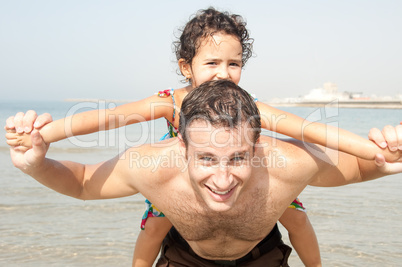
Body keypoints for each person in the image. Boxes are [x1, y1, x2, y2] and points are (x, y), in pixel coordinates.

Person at [5, 8, 392, 267]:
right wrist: (41, 137)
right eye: (212, 63)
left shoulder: (249, 106)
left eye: (234, 64)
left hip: (249, 185)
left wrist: (379, 151)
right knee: (155, 224)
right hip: (182, 184)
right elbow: (106, 119)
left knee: (296, 216)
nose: (224, 72)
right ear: (185, 67)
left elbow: (310, 131)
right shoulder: (169, 103)